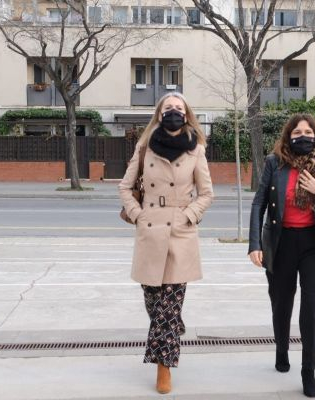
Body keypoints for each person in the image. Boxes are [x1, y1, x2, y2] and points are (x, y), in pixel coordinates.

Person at [118, 92, 213, 395]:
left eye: (179, 108)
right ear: (159, 114)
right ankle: (172, 329)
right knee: (153, 302)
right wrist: (136, 213)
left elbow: (207, 193)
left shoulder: (197, 149)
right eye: (168, 108)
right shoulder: (144, 146)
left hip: (181, 231)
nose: (173, 111)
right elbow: (125, 185)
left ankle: (164, 367)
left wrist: (189, 215)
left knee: (167, 309)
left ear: (187, 115)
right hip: (150, 227)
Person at [248, 113, 315, 398]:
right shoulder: (273, 163)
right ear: (288, 136)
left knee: (310, 306)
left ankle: (308, 372)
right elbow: (259, 204)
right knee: (281, 303)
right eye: (297, 132)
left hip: (314, 244)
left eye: (308, 131)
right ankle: (281, 348)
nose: (302, 135)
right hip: (280, 242)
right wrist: (255, 244)